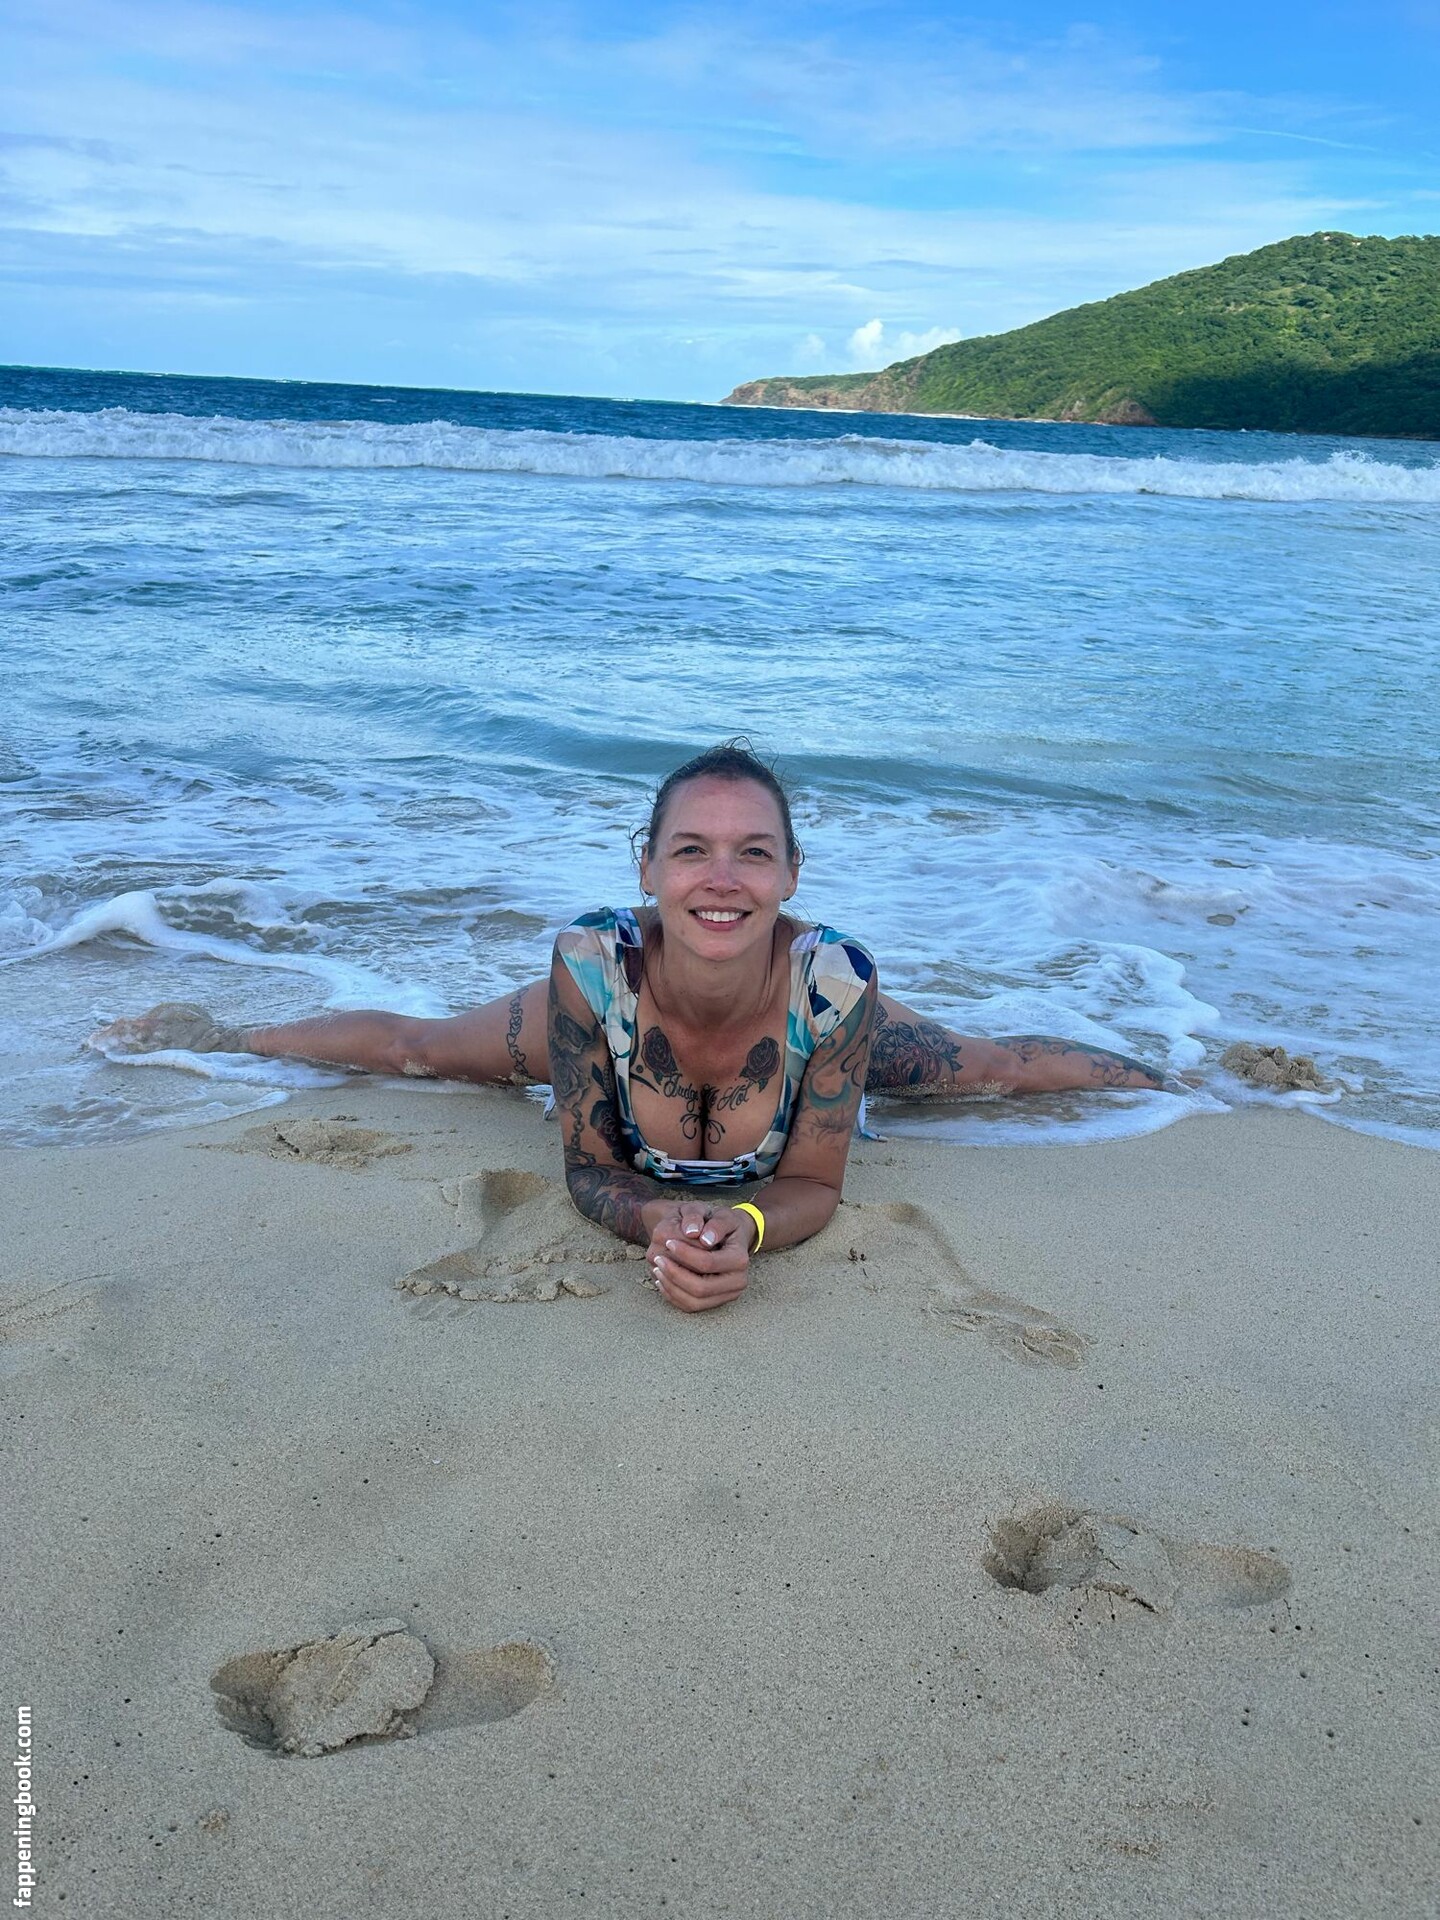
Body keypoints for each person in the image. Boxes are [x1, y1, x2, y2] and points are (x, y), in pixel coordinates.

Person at [90, 742, 1168, 1313]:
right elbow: (589, 1164)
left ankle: (1189, 1077)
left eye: (754, 853)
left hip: (801, 1041)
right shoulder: (589, 969)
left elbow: (813, 1183)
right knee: (419, 1051)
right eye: (691, 849)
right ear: (646, 866)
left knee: (988, 1066)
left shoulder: (835, 986)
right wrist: (654, 1221)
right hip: (614, 1028)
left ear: (792, 876)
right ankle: (231, 1033)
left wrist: (743, 1230)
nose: (722, 877)